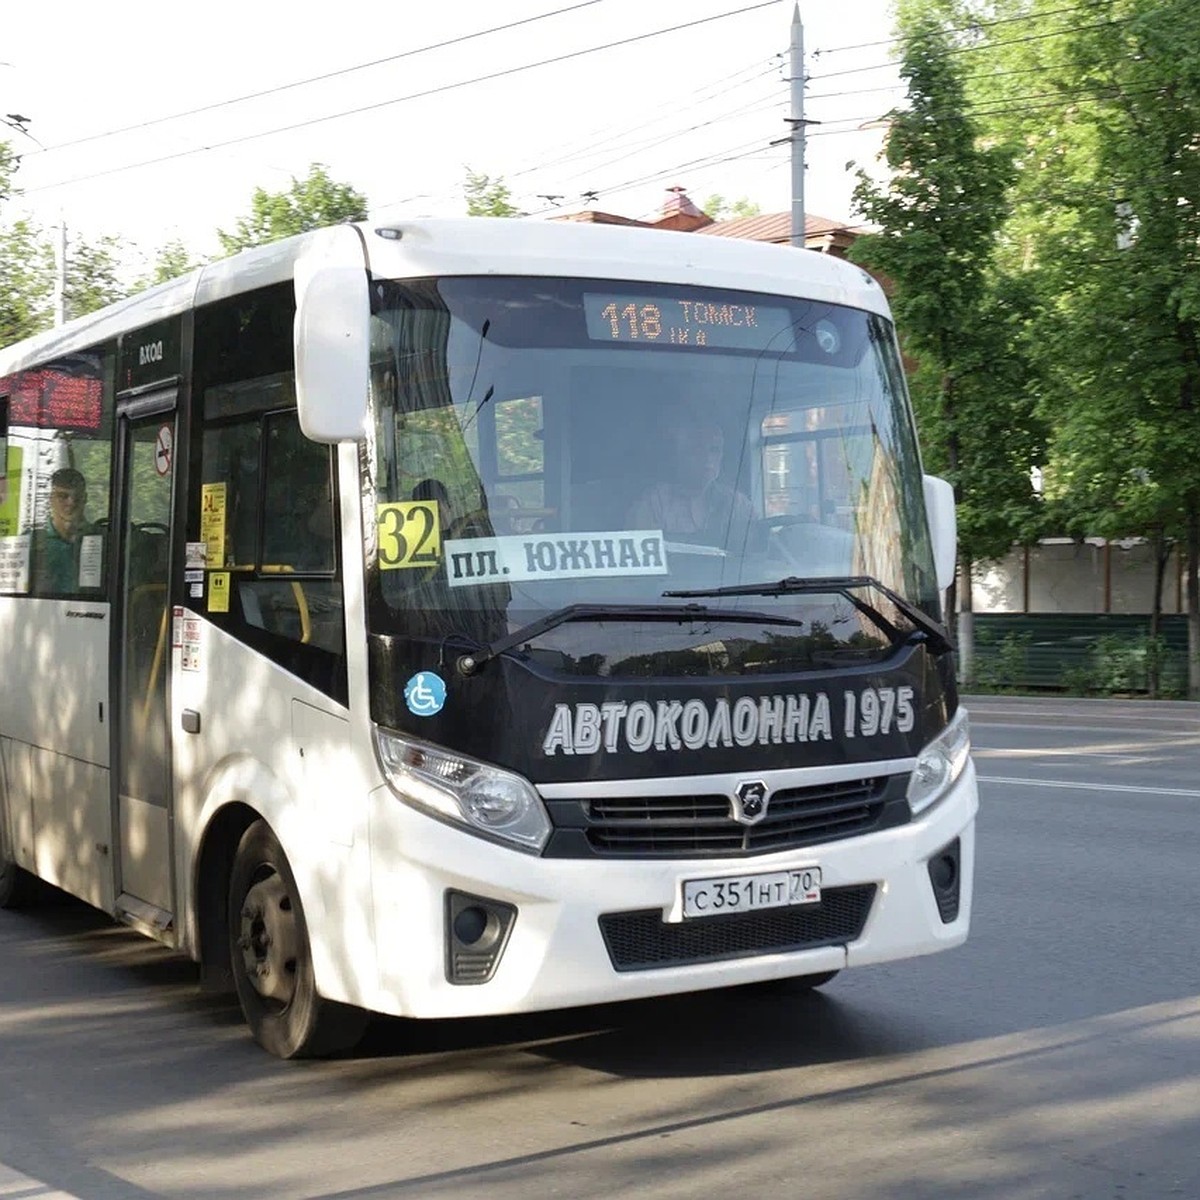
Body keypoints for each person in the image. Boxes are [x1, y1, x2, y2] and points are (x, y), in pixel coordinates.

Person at [627, 410, 754, 545]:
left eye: (714, 450)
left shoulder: (738, 504)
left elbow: (763, 549)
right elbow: (642, 555)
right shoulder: (656, 502)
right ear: (680, 455)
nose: (707, 458)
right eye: (697, 449)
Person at [32, 467, 100, 593]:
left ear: (85, 498)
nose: (71, 502)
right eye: (63, 496)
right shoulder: (32, 542)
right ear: (50, 498)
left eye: (77, 497)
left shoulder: (101, 539)